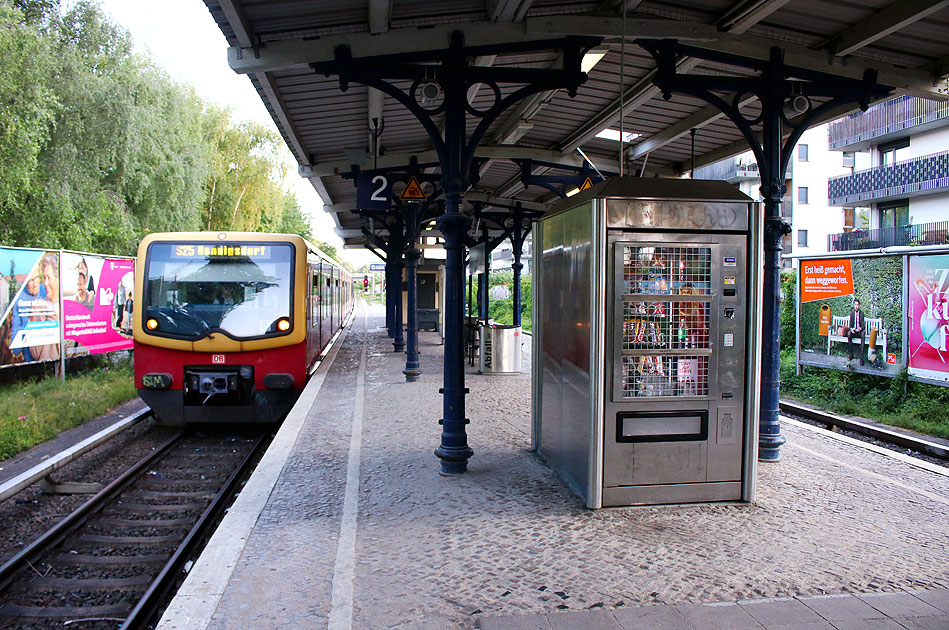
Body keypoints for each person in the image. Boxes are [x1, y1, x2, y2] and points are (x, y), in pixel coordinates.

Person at [847, 298, 866, 365]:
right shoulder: (852, 313)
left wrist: (860, 328)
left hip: (859, 332)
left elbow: (863, 326)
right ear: (854, 305)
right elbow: (850, 325)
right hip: (854, 331)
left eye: (857, 305)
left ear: (859, 305)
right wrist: (852, 329)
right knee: (849, 334)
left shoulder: (862, 313)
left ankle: (861, 357)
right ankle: (851, 354)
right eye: (855, 305)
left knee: (863, 334)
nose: (856, 306)